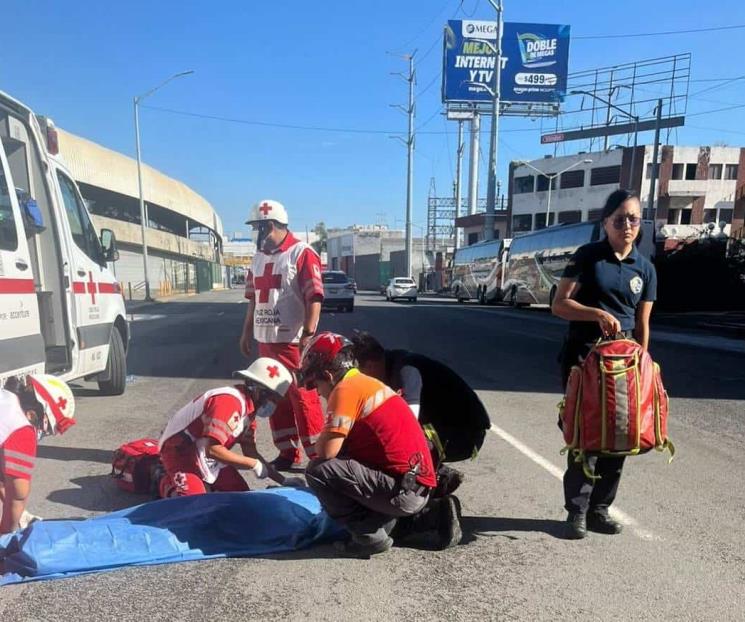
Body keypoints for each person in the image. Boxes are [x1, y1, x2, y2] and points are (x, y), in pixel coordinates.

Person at [551, 189, 657, 539]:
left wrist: (645, 367)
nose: (627, 225)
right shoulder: (588, 257)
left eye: (633, 219)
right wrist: (595, 313)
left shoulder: (645, 268)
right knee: (586, 434)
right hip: (584, 358)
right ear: (605, 222)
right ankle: (576, 512)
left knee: (620, 435)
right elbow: (560, 305)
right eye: (619, 218)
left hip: (625, 364)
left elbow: (642, 324)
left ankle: (600, 509)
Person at [300, 332, 462, 558]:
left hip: (403, 490)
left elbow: (326, 451)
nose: (316, 392)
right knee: (346, 459)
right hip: (417, 485)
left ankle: (368, 537)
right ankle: (429, 515)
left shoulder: (345, 390)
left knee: (318, 470)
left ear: (327, 375)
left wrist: (322, 441)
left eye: (314, 384)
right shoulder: (367, 383)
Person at [239, 199, 325, 471]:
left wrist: (309, 333)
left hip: (292, 342)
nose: (258, 235)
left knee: (303, 398)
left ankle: (319, 456)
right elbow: (253, 299)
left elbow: (315, 296)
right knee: (274, 398)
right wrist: (246, 333)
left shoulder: (302, 253)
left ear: (272, 225)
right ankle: (287, 452)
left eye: (260, 229)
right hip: (267, 341)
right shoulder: (257, 259)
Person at [351, 332, 491, 497]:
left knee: (398, 445)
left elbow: (408, 420)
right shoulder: (388, 366)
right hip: (447, 428)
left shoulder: (405, 369)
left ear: (370, 366)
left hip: (466, 436)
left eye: (359, 373)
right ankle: (437, 475)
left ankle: (428, 486)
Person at [158, 358, 303, 497]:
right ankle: (167, 482)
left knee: (240, 494)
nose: (274, 405)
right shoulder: (228, 402)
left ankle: (205, 486)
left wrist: (283, 480)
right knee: (195, 504)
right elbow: (213, 450)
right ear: (260, 391)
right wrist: (253, 465)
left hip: (206, 454)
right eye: (274, 399)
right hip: (180, 452)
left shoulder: (249, 413)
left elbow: (250, 452)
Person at [1, 375, 76, 534]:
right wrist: (4, 538)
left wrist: (21, 515)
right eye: (46, 429)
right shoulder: (22, 429)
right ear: (34, 415)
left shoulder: (6, 399)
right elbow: (18, 495)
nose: (42, 434)